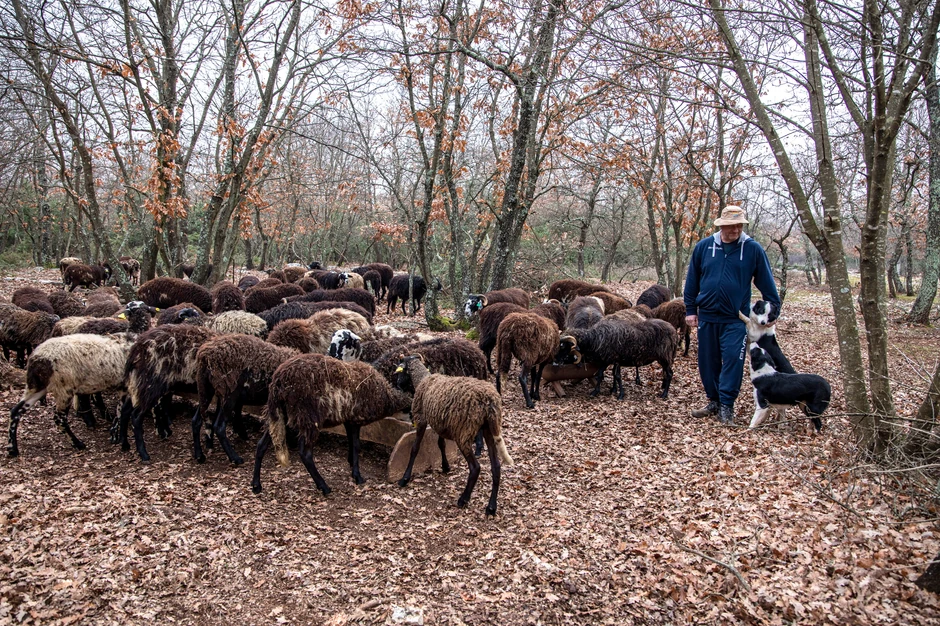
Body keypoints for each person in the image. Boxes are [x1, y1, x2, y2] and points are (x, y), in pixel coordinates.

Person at [683, 206, 781, 425]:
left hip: (736, 319)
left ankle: (727, 405)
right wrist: (690, 310)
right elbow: (692, 281)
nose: (735, 229)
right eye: (731, 225)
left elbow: (767, 283)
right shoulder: (704, 247)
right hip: (707, 316)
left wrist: (774, 310)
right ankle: (714, 400)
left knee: (732, 361)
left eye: (739, 225)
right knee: (707, 362)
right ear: (721, 225)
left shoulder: (752, 249)